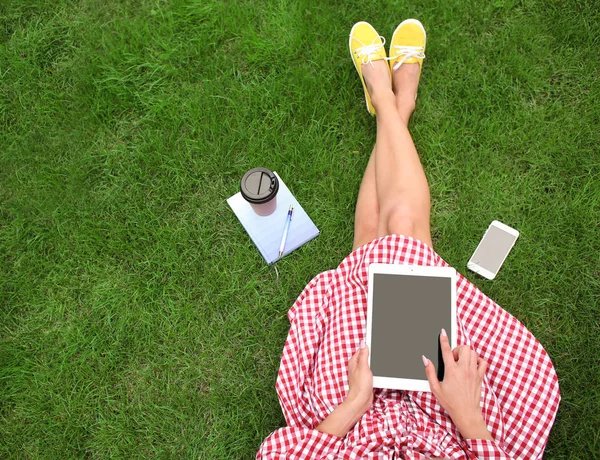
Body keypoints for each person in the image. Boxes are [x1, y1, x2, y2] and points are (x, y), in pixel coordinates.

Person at [257, 20, 560, 459]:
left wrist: (354, 404)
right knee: (400, 231)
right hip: (452, 425)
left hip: (353, 422)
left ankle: (389, 103)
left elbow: (276, 454)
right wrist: (467, 414)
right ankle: (395, 101)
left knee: (367, 247)